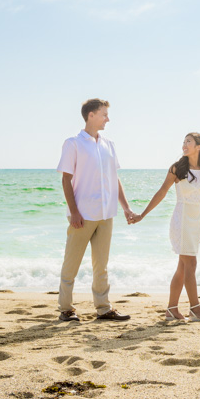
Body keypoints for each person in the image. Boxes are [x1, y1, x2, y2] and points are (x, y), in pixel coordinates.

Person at [55, 98, 136, 322]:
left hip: (106, 213)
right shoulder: (73, 143)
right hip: (82, 214)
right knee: (71, 263)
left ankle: (103, 308)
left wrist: (126, 207)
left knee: (101, 265)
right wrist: (74, 212)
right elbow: (66, 180)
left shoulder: (109, 145)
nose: (107, 118)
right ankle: (66, 309)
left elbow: (114, 178)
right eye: (104, 114)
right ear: (91, 115)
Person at [129, 132, 200, 322]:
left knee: (183, 267)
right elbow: (162, 192)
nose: (184, 145)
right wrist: (143, 214)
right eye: (183, 142)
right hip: (182, 218)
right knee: (190, 265)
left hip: (196, 222)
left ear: (199, 146)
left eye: (189, 142)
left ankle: (171, 310)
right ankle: (195, 309)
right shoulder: (177, 168)